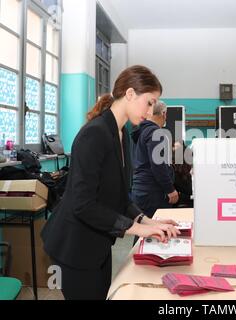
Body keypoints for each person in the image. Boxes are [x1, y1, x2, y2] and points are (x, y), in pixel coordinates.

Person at [41, 65, 180, 300]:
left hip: (98, 245)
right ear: (129, 94)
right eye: (149, 102)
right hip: (74, 246)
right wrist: (138, 229)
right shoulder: (94, 134)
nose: (150, 111)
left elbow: (120, 198)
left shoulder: (122, 134)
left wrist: (149, 221)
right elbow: (83, 204)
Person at [131, 101, 179, 218]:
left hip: (141, 189)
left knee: (143, 230)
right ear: (164, 114)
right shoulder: (155, 133)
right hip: (153, 192)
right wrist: (170, 189)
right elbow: (158, 165)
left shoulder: (141, 132)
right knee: (156, 230)